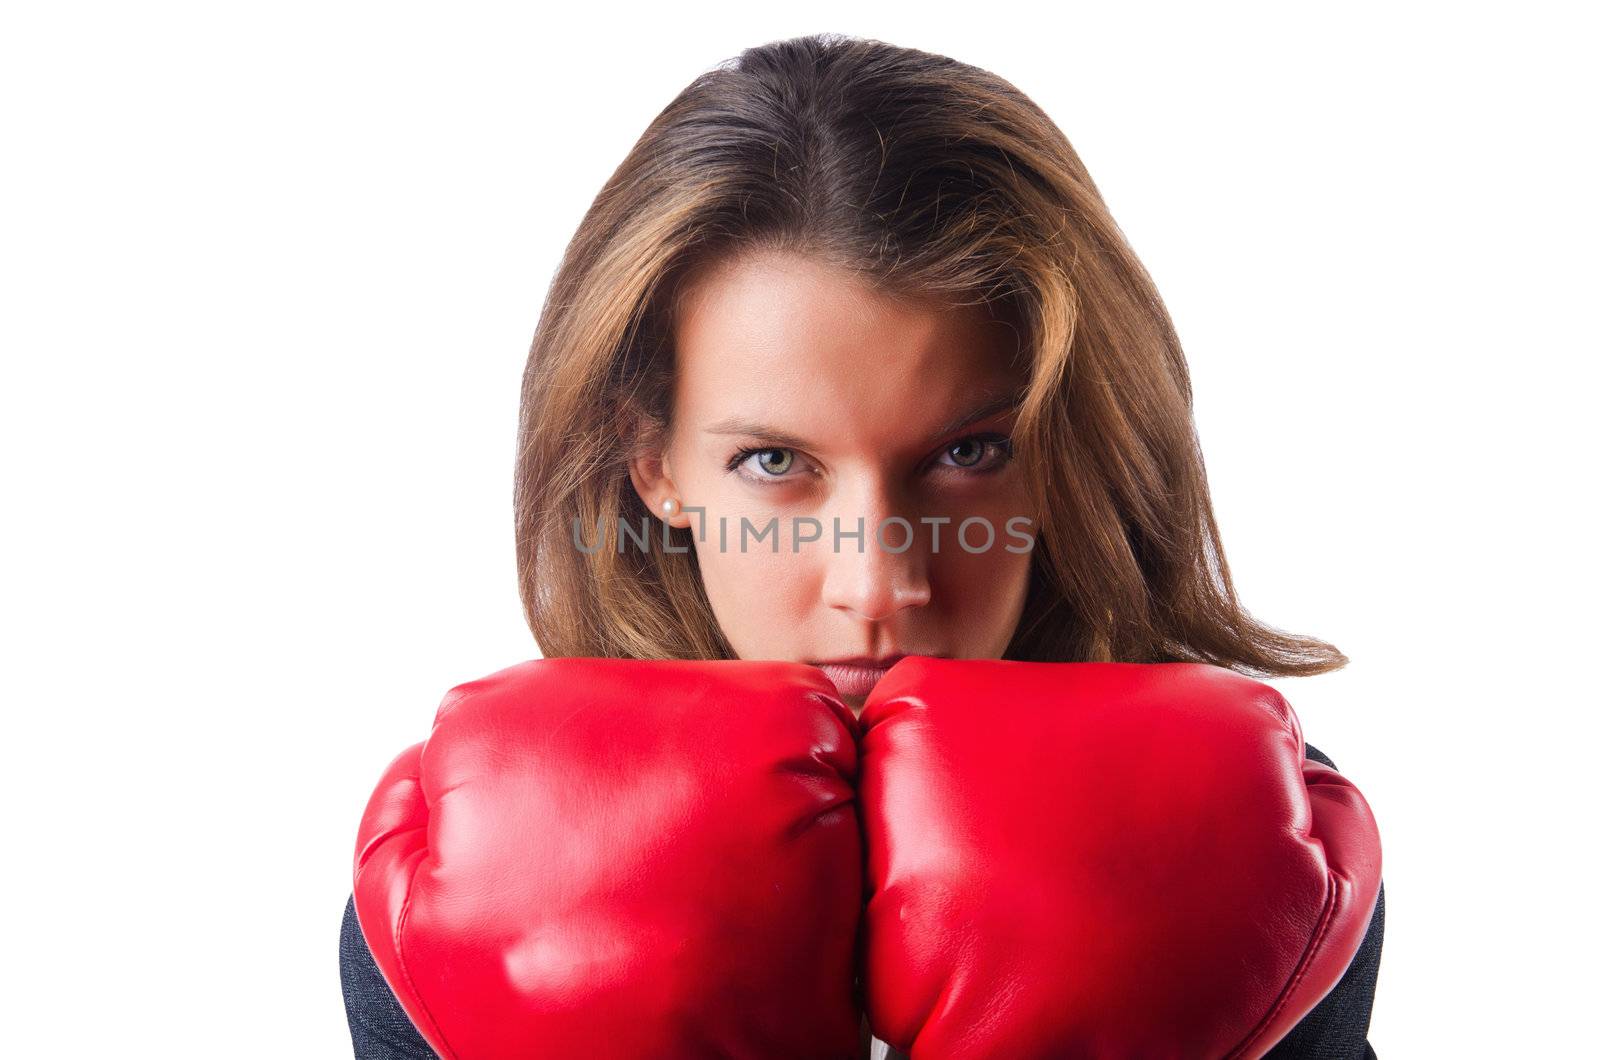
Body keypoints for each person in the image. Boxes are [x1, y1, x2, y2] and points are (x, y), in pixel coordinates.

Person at [340, 32, 1384, 1058]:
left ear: (1071, 448)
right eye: (772, 463)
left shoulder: (1242, 844)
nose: (880, 582)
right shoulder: (481, 858)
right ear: (651, 463)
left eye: (969, 450)